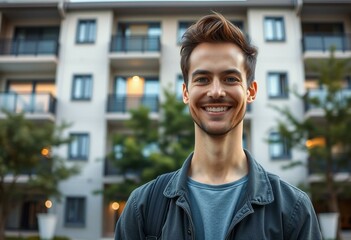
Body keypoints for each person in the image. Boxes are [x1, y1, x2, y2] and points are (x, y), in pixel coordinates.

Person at [115, 12, 322, 240]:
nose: (215, 92)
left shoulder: (293, 210)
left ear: (250, 91)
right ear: (186, 92)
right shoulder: (142, 208)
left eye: (230, 79)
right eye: (202, 79)